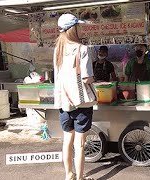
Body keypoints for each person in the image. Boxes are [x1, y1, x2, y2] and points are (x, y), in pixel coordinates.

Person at [54, 13, 94, 180]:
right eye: (78, 26)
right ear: (74, 28)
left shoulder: (58, 49)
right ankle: (80, 178)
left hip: (64, 102)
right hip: (81, 103)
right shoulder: (82, 49)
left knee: (67, 141)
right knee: (80, 144)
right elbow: (87, 78)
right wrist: (93, 80)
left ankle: (68, 175)